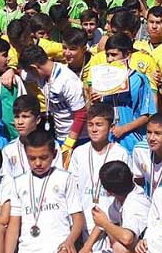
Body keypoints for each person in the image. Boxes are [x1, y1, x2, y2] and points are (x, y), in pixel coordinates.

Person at [6, 129, 85, 253]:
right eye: (32, 158)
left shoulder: (65, 178)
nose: (38, 163)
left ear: (54, 154)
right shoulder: (18, 182)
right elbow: (14, 225)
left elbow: (78, 218)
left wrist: (69, 241)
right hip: (28, 249)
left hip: (58, 248)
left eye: (43, 158)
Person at [68, 103, 130, 252]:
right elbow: (73, 188)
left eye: (99, 125)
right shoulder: (79, 153)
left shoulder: (120, 153)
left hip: (111, 220)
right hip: (85, 220)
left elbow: (125, 191)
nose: (94, 129)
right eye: (90, 125)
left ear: (111, 126)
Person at [19, 45, 88, 162]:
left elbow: (81, 114)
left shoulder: (67, 80)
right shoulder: (39, 74)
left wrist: (70, 143)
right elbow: (22, 73)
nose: (30, 75)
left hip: (78, 138)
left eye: (30, 71)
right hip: (59, 135)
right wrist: (10, 71)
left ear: (34, 68)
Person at [91, 34, 156, 153]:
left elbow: (147, 115)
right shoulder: (102, 80)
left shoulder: (139, 80)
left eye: (114, 55)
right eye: (107, 55)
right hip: (108, 140)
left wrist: (123, 129)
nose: (110, 59)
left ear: (127, 55)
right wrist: (96, 101)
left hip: (133, 141)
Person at [1, 95, 65, 178]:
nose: (20, 122)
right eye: (17, 117)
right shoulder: (8, 150)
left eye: (25, 117)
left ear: (37, 119)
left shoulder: (51, 145)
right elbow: (6, 180)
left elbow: (58, 175)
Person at [94, 161, 151, 253]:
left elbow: (127, 238)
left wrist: (105, 223)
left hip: (148, 248)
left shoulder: (135, 203)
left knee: (120, 247)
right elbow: (102, 223)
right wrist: (86, 247)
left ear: (108, 192)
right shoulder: (119, 199)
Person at [131, 112, 162, 198]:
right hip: (147, 200)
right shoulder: (140, 150)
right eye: (149, 132)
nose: (151, 138)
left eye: (157, 133)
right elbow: (138, 180)